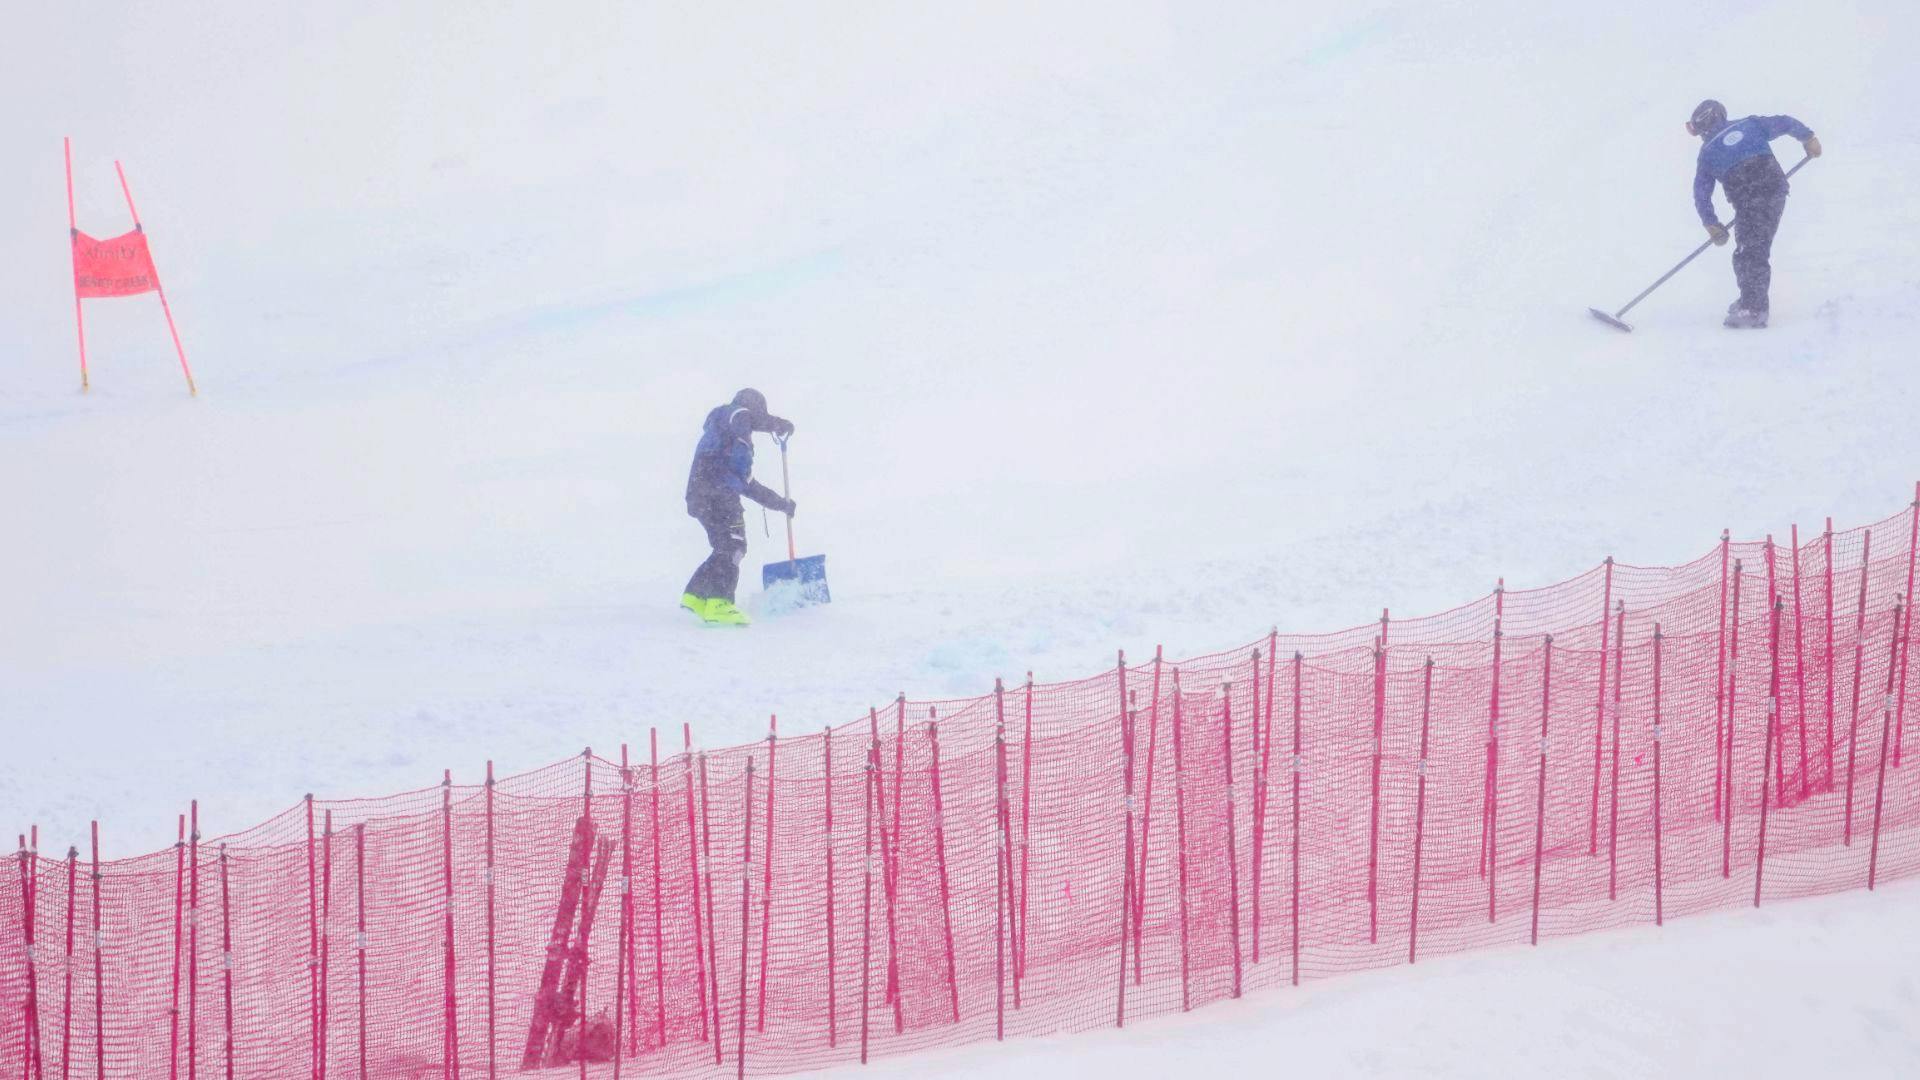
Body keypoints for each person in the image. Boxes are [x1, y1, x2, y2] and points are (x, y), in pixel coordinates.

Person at [1687, 99, 1820, 329]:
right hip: (1772, 189)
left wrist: (1711, 223)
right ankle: (1750, 299)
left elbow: (1701, 193)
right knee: (1751, 249)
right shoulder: (1750, 124)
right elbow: (1785, 122)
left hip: (1750, 200)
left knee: (1749, 253)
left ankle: (1754, 308)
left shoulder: (1707, 152)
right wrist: (1808, 137)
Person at [681, 388, 795, 626]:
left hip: (700, 494)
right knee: (735, 546)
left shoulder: (724, 442)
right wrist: (776, 424)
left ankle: (696, 596)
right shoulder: (735, 415)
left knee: (724, 546)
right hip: (719, 493)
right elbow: (745, 420)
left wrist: (782, 505)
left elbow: (751, 486)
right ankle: (720, 602)